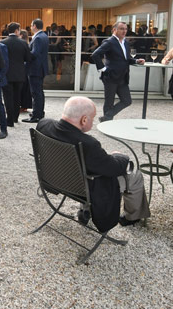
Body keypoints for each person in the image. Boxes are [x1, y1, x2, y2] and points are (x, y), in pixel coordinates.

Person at [37, 96, 150, 231]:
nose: (93, 121)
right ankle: (132, 217)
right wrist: (119, 156)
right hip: (84, 190)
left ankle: (85, 211)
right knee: (135, 176)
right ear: (84, 120)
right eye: (93, 118)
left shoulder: (44, 125)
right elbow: (113, 168)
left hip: (55, 180)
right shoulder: (87, 144)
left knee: (89, 169)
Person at [91, 21, 144, 122]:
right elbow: (95, 55)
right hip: (110, 76)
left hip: (122, 77)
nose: (124, 31)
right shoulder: (109, 42)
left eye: (125, 29)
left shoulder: (126, 43)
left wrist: (136, 61)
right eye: (121, 29)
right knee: (109, 102)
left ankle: (106, 117)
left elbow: (126, 59)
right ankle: (107, 123)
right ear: (114, 30)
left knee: (127, 100)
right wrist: (103, 69)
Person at [2, 22, 33, 129]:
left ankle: (9, 119)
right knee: (17, 96)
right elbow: (28, 58)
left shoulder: (2, 42)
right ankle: (15, 117)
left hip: (7, 74)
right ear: (16, 31)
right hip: (20, 74)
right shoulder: (23, 43)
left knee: (7, 97)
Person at [22, 19, 49, 123]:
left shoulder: (38, 38)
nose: (31, 27)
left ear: (35, 26)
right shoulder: (44, 36)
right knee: (39, 92)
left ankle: (36, 116)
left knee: (36, 93)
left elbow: (34, 53)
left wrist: (24, 55)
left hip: (35, 69)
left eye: (31, 25)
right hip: (40, 68)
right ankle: (39, 112)